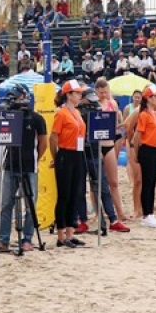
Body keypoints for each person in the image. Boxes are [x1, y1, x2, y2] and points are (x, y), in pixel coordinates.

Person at [0, 85, 49, 251]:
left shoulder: (36, 118)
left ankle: (27, 239)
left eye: (17, 97)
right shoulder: (8, 116)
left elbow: (43, 143)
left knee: (30, 204)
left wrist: (35, 159)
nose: (15, 100)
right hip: (10, 164)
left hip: (29, 166)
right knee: (6, 203)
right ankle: (3, 240)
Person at [49, 80, 87, 247]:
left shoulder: (77, 112)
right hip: (65, 153)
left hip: (77, 154)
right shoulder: (61, 113)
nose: (80, 96)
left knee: (75, 193)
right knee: (64, 195)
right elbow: (53, 137)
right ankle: (61, 235)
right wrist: (56, 156)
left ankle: (70, 233)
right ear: (68, 95)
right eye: (77, 93)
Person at [94, 80, 129, 230]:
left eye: (106, 92)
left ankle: (119, 212)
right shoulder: (93, 103)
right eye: (101, 92)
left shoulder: (112, 104)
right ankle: (98, 213)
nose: (103, 95)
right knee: (96, 183)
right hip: (97, 145)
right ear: (96, 91)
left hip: (108, 144)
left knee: (113, 181)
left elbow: (114, 127)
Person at [134, 85, 156, 228]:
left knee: (152, 182)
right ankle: (146, 215)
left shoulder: (155, 114)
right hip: (146, 149)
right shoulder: (144, 114)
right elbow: (137, 136)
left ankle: (150, 213)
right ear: (149, 98)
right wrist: (136, 154)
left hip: (155, 150)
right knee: (147, 182)